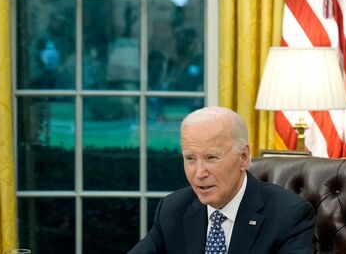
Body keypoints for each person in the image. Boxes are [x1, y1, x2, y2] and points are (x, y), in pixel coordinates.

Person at [129, 107, 315, 253]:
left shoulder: (288, 214)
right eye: (190, 158)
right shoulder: (172, 209)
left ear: (243, 157)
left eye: (211, 158)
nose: (199, 173)